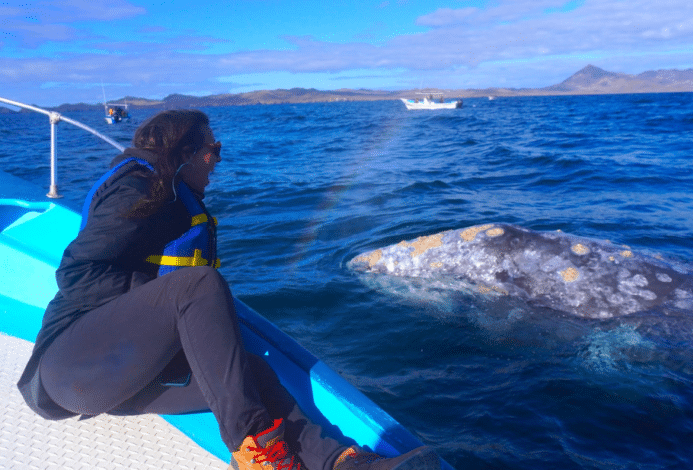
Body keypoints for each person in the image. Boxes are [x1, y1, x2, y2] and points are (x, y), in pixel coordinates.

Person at [17, 109, 441, 470]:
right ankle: (254, 452)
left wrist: (159, 322)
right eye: (213, 149)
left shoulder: (172, 196)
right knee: (199, 283)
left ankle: (340, 462)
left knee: (249, 372)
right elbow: (77, 270)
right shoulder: (139, 187)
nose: (217, 160)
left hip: (118, 378)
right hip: (67, 370)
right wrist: (151, 304)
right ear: (185, 154)